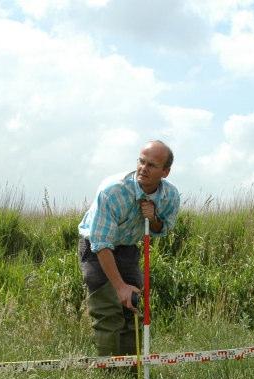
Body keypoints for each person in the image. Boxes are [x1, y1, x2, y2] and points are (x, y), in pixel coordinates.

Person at [77, 140, 180, 357]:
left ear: (166, 172)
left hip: (128, 249)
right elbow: (101, 243)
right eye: (141, 161)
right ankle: (108, 377)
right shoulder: (113, 190)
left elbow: (164, 228)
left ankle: (132, 374)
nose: (143, 168)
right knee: (108, 313)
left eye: (151, 165)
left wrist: (153, 219)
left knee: (132, 309)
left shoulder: (170, 196)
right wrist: (120, 286)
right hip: (97, 249)